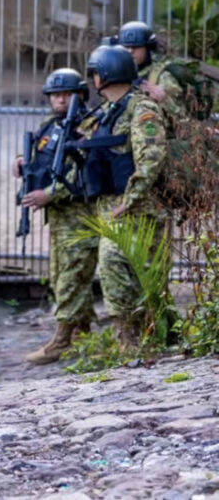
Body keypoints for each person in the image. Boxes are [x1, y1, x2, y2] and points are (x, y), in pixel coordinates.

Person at [80, 45, 168, 350]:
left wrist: (129, 201)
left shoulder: (141, 109)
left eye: (94, 73)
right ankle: (127, 339)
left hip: (139, 210)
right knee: (121, 270)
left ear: (104, 75)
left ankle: (148, 338)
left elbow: (151, 157)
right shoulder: (105, 113)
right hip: (113, 208)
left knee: (137, 274)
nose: (92, 80)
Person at [15, 69, 98, 364]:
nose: (60, 100)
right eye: (55, 95)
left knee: (71, 279)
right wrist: (23, 164)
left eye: (67, 95)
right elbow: (45, 162)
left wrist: (52, 194)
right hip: (60, 219)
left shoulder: (88, 126)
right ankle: (83, 334)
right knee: (63, 276)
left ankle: (61, 339)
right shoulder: (49, 126)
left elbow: (83, 170)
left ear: (80, 96)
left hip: (80, 214)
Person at [115, 21, 186, 122]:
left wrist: (164, 100)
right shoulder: (117, 73)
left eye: (137, 47)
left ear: (148, 47)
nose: (131, 51)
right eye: (126, 47)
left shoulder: (162, 76)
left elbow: (182, 117)